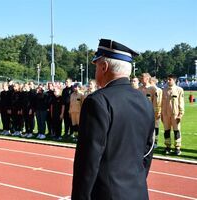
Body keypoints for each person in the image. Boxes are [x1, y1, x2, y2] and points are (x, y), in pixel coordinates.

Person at [72, 39, 155, 200]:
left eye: (96, 65)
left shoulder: (97, 101)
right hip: (137, 192)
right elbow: (148, 151)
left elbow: (88, 160)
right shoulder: (144, 101)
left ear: (104, 67)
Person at [161, 74, 184, 155]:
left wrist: (180, 114)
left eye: (169, 79)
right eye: (167, 79)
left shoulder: (179, 90)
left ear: (174, 80)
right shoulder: (164, 90)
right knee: (166, 131)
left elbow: (181, 103)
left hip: (175, 114)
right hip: (165, 114)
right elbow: (162, 102)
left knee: (176, 131)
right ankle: (168, 147)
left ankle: (177, 148)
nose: (168, 81)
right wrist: (161, 114)